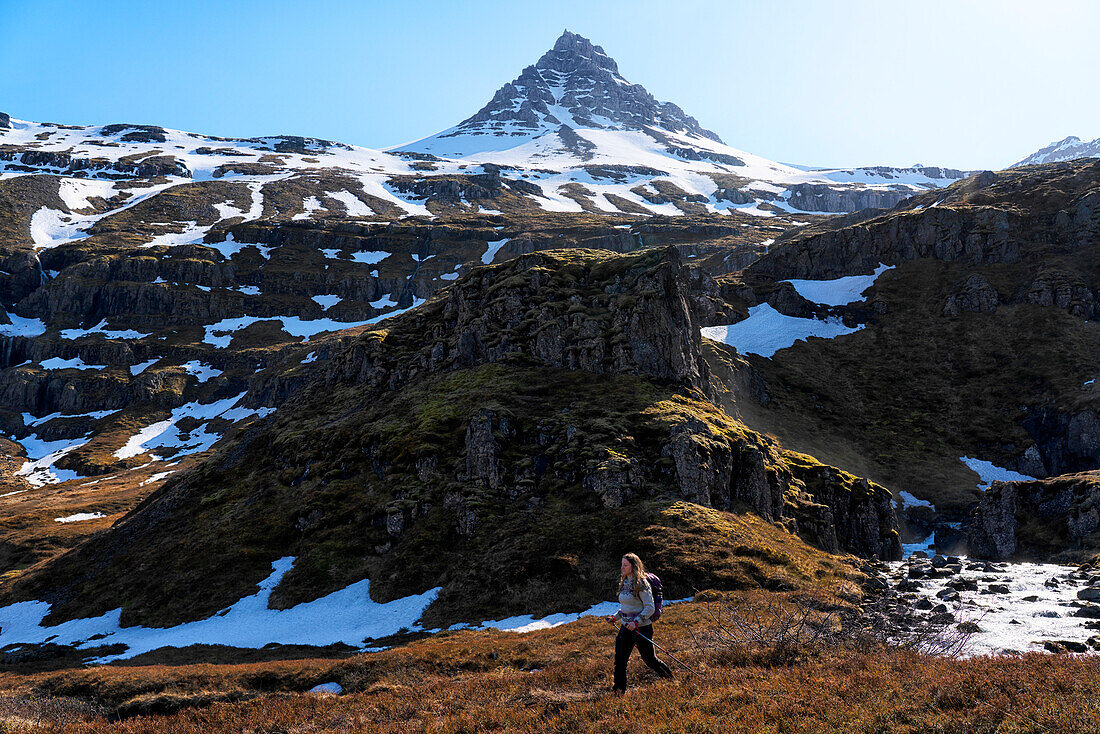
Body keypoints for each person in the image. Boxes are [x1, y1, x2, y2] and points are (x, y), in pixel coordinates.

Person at [605, 552, 673, 694]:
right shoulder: (624, 582)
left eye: (625, 565)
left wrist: (636, 622)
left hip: (641, 629)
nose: (622, 568)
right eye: (622, 565)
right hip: (625, 628)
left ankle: (670, 679)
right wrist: (615, 617)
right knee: (620, 660)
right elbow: (626, 608)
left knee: (650, 660)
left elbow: (649, 607)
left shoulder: (642, 583)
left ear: (633, 566)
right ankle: (618, 691)